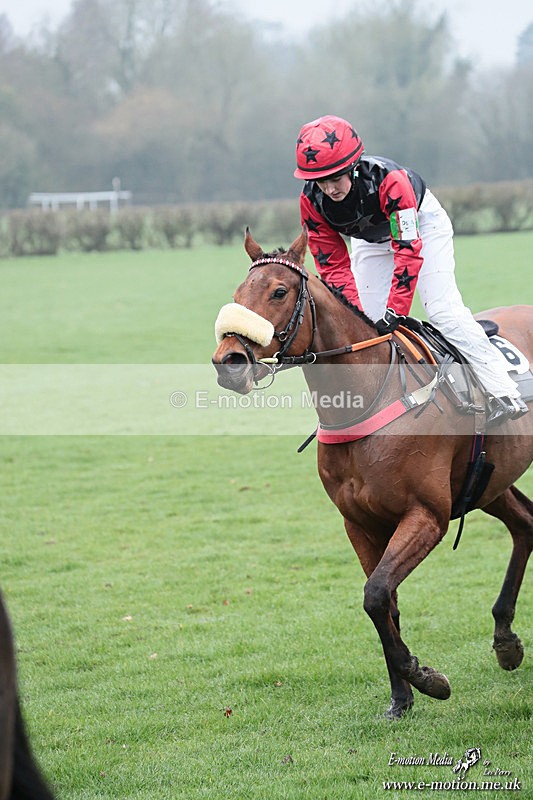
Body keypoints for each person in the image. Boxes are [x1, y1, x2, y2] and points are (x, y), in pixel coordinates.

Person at [293, 114, 528, 426]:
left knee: (443, 311)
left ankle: (503, 390)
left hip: (421, 227)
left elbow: (407, 249)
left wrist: (397, 309)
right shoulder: (311, 201)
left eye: (336, 178)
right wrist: (357, 311)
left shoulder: (390, 181)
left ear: (353, 167)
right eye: (322, 181)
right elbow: (333, 266)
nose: (330, 189)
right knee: (368, 326)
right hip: (371, 241)